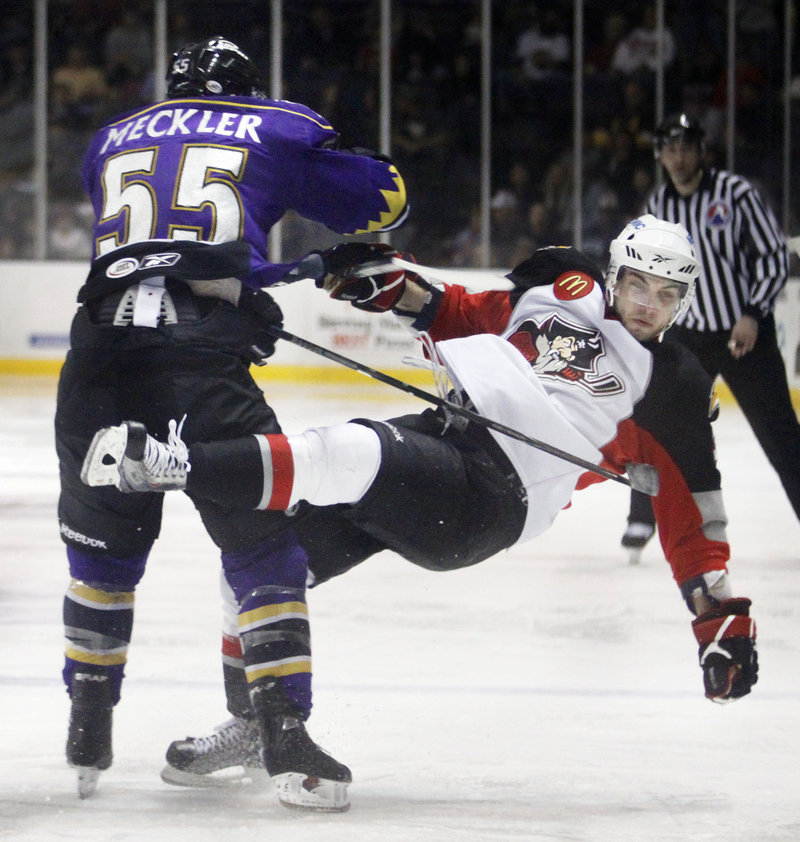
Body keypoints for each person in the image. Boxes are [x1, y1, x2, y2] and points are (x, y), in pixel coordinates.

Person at [81, 218, 759, 786]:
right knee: (265, 562)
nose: (647, 304)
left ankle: (171, 463)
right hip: (448, 439)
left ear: (682, 303)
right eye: (637, 283)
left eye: (666, 294)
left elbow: (693, 522)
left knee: (345, 452)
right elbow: (453, 311)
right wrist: (381, 283)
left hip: (493, 499)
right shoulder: (562, 296)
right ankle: (258, 725)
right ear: (615, 275)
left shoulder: (672, 389)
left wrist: (719, 626)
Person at [56, 35, 408, 810]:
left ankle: (88, 725)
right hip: (196, 357)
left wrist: (274, 281)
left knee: (102, 552)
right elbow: (386, 200)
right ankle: (284, 732)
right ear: (244, 90)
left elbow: (155, 254)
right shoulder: (275, 123)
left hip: (95, 353)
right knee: (264, 542)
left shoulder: (108, 138)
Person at [621, 112, 800, 562]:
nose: (679, 157)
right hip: (685, 337)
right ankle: (642, 515)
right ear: (660, 155)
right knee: (651, 421)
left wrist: (753, 313)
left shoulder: (736, 195)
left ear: (702, 151)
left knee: (781, 435)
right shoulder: (658, 203)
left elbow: (774, 256)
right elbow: (643, 267)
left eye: (687, 147)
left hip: (745, 333)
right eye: (670, 148)